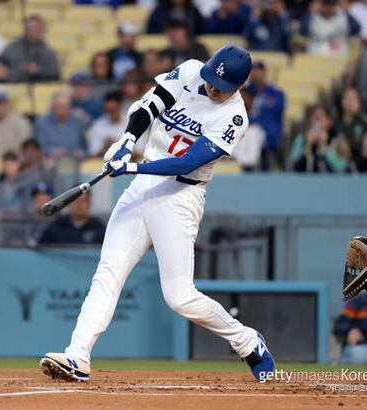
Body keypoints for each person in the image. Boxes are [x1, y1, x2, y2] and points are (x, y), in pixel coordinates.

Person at [39, 45, 275, 382]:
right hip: (143, 186)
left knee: (180, 298)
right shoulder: (191, 71)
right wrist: (127, 140)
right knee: (108, 272)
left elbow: (188, 162)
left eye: (221, 86)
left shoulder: (234, 118)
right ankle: (78, 354)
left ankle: (248, 341)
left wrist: (132, 167)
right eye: (210, 79)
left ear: (239, 87)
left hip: (180, 196)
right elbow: (150, 105)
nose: (211, 87)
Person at [243, 61, 285, 170]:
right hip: (247, 131)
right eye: (253, 72)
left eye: (258, 71)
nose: (255, 75)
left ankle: (249, 166)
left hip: (268, 131)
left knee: (253, 134)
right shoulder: (243, 92)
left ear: (264, 73)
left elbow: (273, 113)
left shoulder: (276, 94)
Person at [0, 15, 60, 82]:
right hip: (12, 84)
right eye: (29, 28)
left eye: (35, 28)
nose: (32, 31)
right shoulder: (14, 47)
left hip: (38, 86)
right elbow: (0, 61)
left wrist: (38, 70)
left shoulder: (48, 52)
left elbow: (55, 73)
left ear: (42, 30)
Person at [39, 192, 105, 245]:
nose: (79, 204)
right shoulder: (56, 227)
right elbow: (39, 249)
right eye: (75, 200)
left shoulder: (99, 228)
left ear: (89, 203)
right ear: (68, 203)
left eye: (83, 200)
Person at [34, 93, 86, 159]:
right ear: (52, 108)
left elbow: (84, 146)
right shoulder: (41, 123)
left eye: (66, 107)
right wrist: (50, 151)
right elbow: (38, 147)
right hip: (49, 160)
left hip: (74, 161)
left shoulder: (78, 123)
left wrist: (81, 152)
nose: (62, 110)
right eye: (59, 107)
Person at [333, 87, 367, 167]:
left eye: (354, 98)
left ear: (360, 103)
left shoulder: (366, 126)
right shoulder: (333, 124)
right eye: (347, 98)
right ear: (341, 101)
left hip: (358, 167)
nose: (350, 102)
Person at [0, 91, 32, 158]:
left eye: (1, 104)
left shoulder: (21, 123)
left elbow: (24, 149)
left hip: (13, 160)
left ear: (8, 105)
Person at [86, 90, 128, 157]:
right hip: (102, 162)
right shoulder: (97, 126)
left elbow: (140, 152)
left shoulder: (132, 123)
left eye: (113, 110)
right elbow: (93, 155)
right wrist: (105, 147)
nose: (111, 113)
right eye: (108, 110)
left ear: (120, 106)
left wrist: (119, 147)